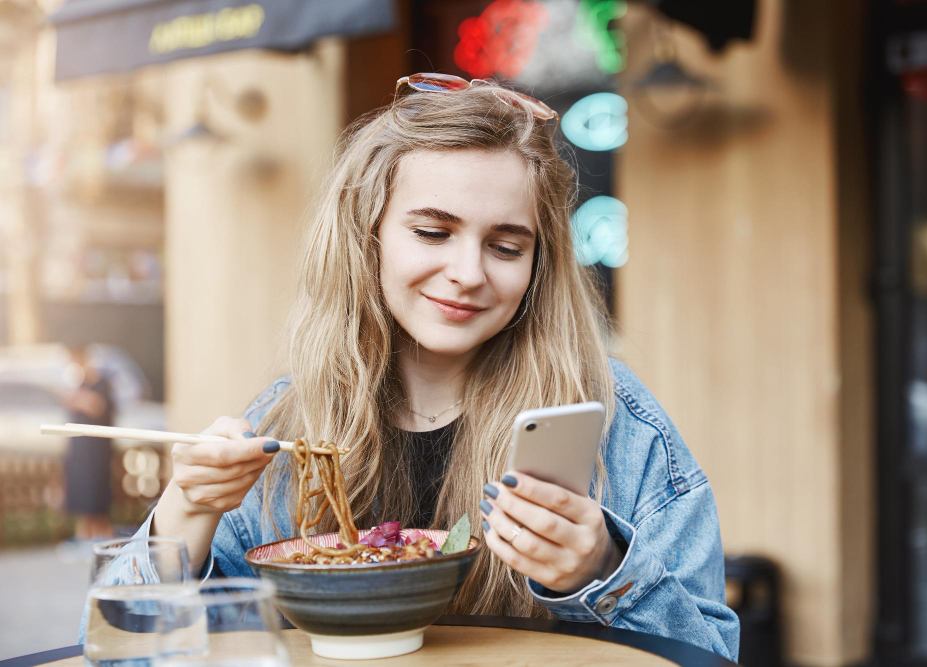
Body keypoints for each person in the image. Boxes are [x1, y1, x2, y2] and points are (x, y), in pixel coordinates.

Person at [118, 74, 739, 659]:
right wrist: (186, 511)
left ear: (537, 267)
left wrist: (601, 570)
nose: (469, 274)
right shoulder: (288, 419)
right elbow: (127, 644)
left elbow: (711, 656)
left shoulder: (611, 417)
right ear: (370, 234)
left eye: (505, 246)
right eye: (434, 233)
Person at [63, 344, 116, 541]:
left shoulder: (102, 384)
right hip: (80, 452)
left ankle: (103, 537)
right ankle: (83, 537)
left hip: (98, 452)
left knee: (97, 497)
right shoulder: (79, 385)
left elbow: (97, 406)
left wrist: (79, 399)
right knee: (82, 496)